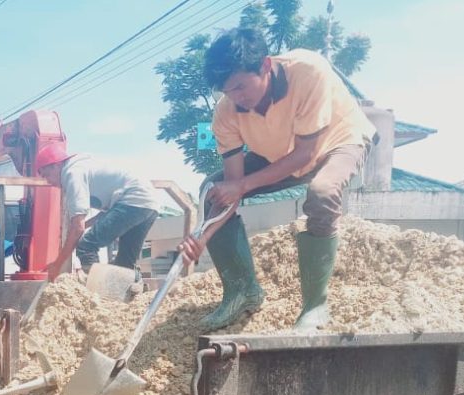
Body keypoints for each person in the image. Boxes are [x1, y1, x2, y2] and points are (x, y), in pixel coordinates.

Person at [179, 27, 376, 331]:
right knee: (213, 191)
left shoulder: (308, 71)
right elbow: (231, 188)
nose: (237, 98)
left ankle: (315, 305)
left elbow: (305, 154)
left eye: (241, 86)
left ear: (266, 65)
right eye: (228, 91)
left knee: (322, 192)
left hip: (337, 141)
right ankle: (243, 292)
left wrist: (242, 186)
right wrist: (203, 237)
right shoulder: (226, 113)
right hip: (280, 153)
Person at [35, 144, 162, 280]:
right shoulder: (84, 166)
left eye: (47, 175)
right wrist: (85, 225)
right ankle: (125, 290)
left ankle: (97, 289)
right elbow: (107, 214)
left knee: (86, 246)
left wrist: (57, 264)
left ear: (56, 165)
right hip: (149, 203)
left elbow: (77, 229)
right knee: (124, 264)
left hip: (133, 199)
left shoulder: (72, 173)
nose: (48, 181)